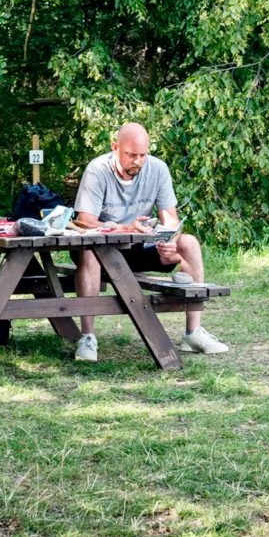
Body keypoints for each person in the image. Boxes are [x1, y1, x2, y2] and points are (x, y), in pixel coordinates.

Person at [70, 122, 228, 363]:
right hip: (100, 248)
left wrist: (170, 242)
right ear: (115, 147)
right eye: (131, 155)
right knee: (90, 252)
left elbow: (170, 218)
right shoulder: (97, 170)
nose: (137, 161)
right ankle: (88, 336)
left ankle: (192, 332)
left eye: (143, 155)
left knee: (190, 243)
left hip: (139, 246)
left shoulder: (158, 169)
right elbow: (84, 222)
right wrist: (123, 227)